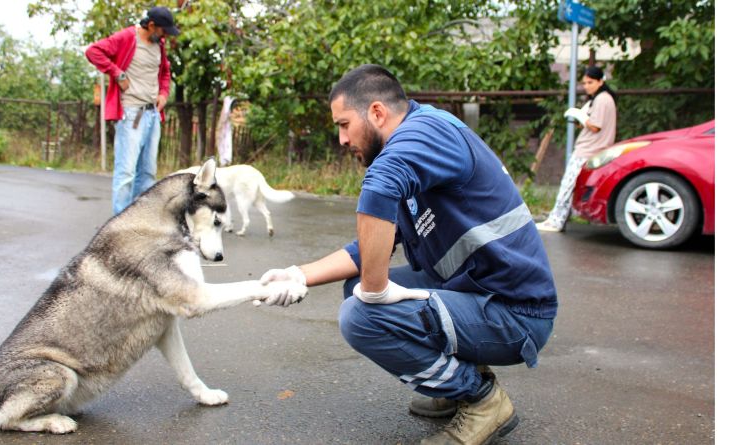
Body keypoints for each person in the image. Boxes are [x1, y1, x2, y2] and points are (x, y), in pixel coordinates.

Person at [259, 64, 558, 445]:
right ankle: (461, 382)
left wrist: (376, 291)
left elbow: (380, 185)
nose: (341, 138)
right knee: (358, 292)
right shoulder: (418, 145)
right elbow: (368, 248)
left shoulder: (426, 133)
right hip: (480, 291)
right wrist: (298, 274)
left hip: (517, 314)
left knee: (361, 314)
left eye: (344, 124)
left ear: (378, 112)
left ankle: (483, 400)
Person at [85, 6, 179, 215]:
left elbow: (164, 72)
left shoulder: (159, 45)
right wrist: (118, 74)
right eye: (163, 30)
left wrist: (164, 93)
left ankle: (140, 219)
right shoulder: (127, 37)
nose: (165, 35)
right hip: (131, 114)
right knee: (126, 172)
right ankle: (120, 224)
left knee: (147, 173)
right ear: (152, 25)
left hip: (153, 114)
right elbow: (93, 51)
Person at [536, 66, 618, 232]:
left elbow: (595, 126)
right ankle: (560, 217)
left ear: (601, 81)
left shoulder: (602, 99)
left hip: (588, 149)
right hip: (593, 148)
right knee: (574, 185)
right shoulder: (598, 99)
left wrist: (581, 116)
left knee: (568, 185)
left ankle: (556, 220)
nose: (586, 86)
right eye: (584, 83)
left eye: (590, 82)